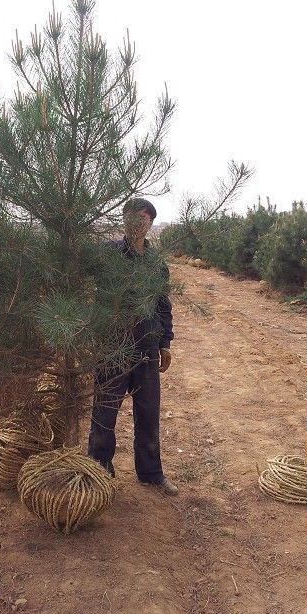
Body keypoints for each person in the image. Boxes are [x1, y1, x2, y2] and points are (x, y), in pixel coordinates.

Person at [87, 198, 179, 496]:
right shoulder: (108, 254)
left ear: (150, 222)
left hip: (146, 347)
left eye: (144, 217)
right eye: (133, 217)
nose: (138, 222)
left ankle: (151, 474)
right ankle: (100, 472)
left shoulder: (156, 263)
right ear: (124, 220)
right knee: (105, 413)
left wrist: (165, 343)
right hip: (113, 346)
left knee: (149, 413)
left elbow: (163, 304)